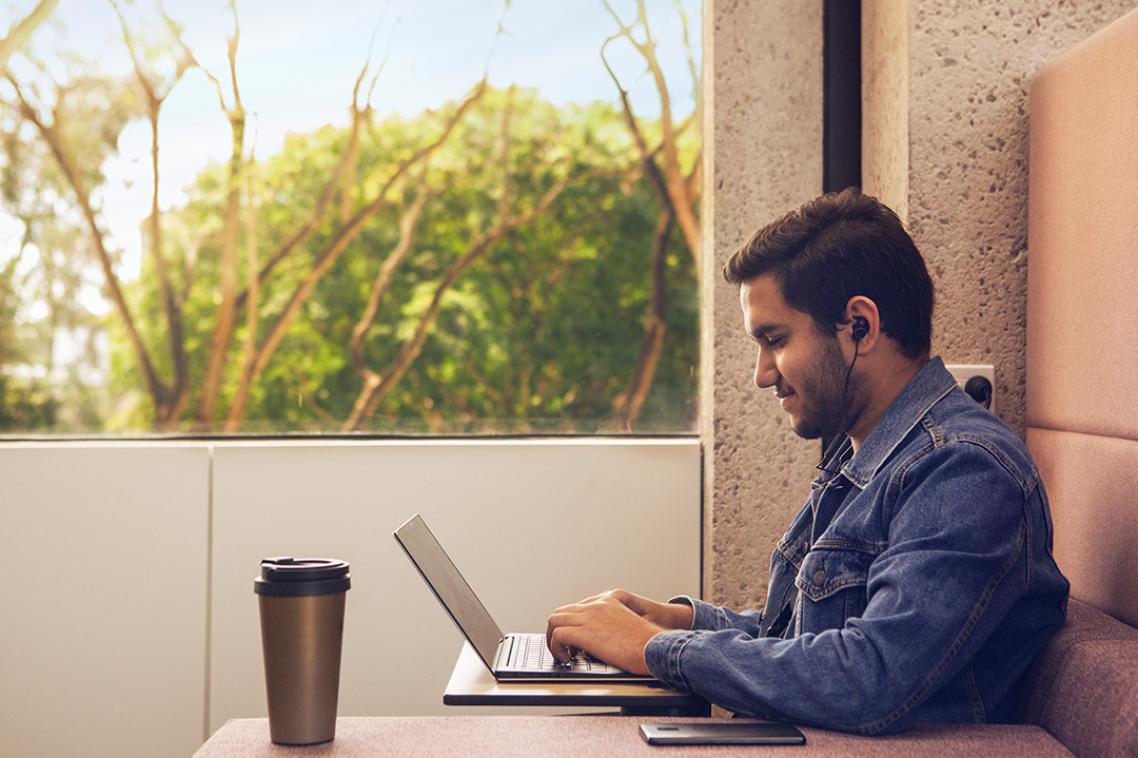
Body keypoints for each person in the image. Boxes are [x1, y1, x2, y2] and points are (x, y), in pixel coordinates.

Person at [544, 188, 1069, 735]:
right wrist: (682, 621)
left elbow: (870, 676)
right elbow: (809, 644)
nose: (762, 374)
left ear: (859, 326)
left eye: (774, 340)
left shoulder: (965, 471)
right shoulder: (867, 458)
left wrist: (652, 648)